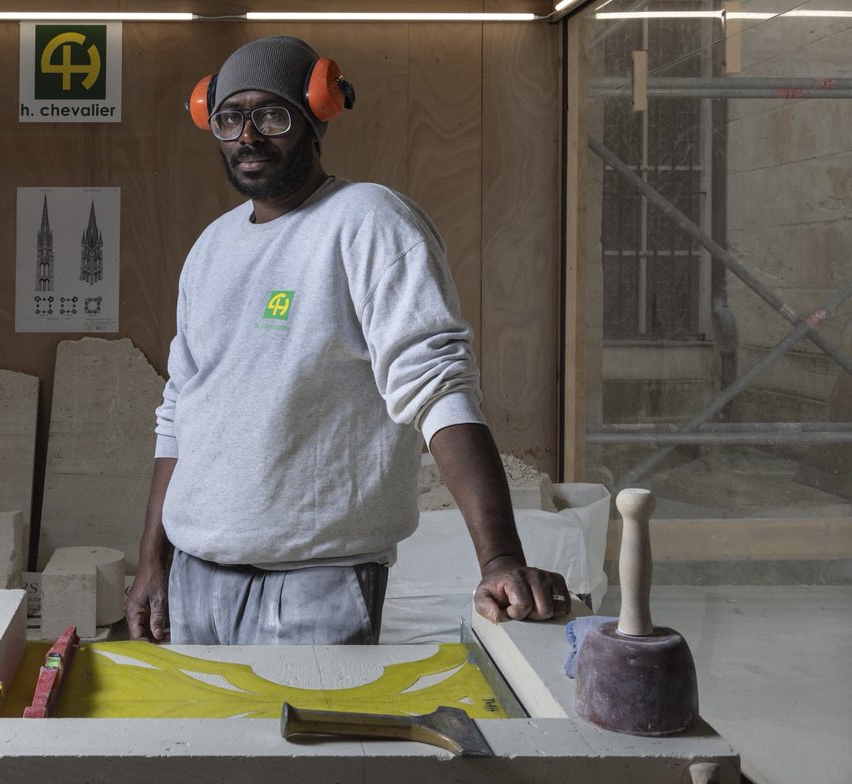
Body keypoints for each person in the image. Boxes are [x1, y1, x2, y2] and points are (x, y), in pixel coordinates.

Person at [124, 35, 569, 645]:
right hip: (196, 575)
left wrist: (499, 560)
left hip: (319, 580)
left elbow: (438, 388)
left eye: (271, 114)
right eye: (230, 118)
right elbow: (180, 408)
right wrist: (154, 561)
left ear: (316, 116)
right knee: (208, 740)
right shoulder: (211, 248)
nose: (248, 135)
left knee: (308, 736)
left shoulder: (369, 221)